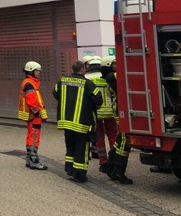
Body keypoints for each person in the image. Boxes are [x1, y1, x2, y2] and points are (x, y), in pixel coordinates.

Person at [53, 60, 102, 183]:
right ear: (82, 69)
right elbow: (98, 101)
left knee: (70, 146)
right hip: (82, 123)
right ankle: (79, 174)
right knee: (82, 149)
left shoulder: (62, 81)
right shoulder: (88, 84)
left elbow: (55, 93)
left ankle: (69, 169)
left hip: (66, 122)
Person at [98, 56, 134, 184]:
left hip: (122, 110)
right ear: (108, 66)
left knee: (120, 139)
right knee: (125, 141)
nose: (117, 65)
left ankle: (108, 164)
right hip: (121, 112)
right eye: (114, 63)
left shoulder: (113, 75)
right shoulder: (112, 76)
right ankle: (119, 171)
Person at [84, 57, 117, 166]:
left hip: (96, 112)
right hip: (109, 112)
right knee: (113, 136)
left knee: (99, 137)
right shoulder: (107, 76)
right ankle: (114, 159)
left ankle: (103, 160)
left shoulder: (86, 78)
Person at [18, 61, 48, 170]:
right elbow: (31, 101)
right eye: (37, 71)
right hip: (34, 115)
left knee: (31, 135)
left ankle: (29, 159)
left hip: (31, 115)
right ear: (31, 70)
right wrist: (37, 112)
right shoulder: (30, 83)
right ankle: (34, 160)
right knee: (34, 137)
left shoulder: (29, 82)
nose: (39, 73)